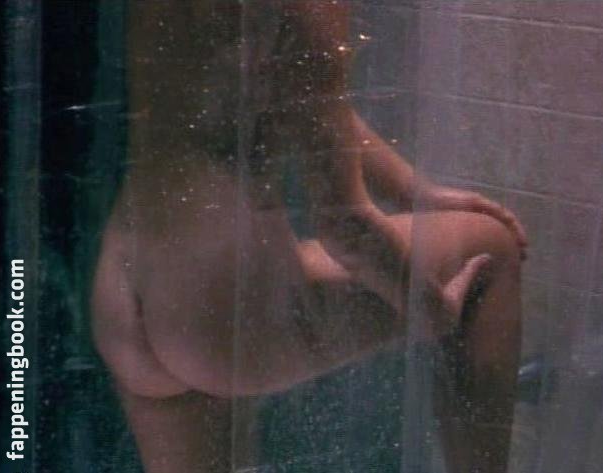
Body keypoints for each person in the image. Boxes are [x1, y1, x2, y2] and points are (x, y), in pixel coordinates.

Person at [91, 2, 527, 471]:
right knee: (492, 246)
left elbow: (291, 93)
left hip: (124, 291)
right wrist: (430, 308)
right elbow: (347, 228)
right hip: (218, 307)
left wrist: (412, 189)